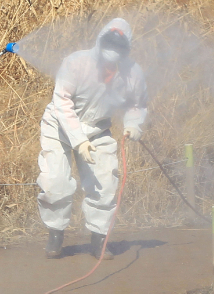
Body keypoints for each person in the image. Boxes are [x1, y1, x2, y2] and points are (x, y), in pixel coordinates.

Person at [37, 18, 147, 260]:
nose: (112, 52)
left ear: (126, 49)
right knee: (55, 184)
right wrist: (78, 140)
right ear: (99, 41)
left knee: (105, 184)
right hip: (59, 128)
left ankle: (99, 239)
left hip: (98, 131)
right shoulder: (75, 63)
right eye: (109, 44)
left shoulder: (133, 73)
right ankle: (55, 233)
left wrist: (132, 124)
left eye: (119, 48)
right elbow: (62, 101)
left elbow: (137, 104)